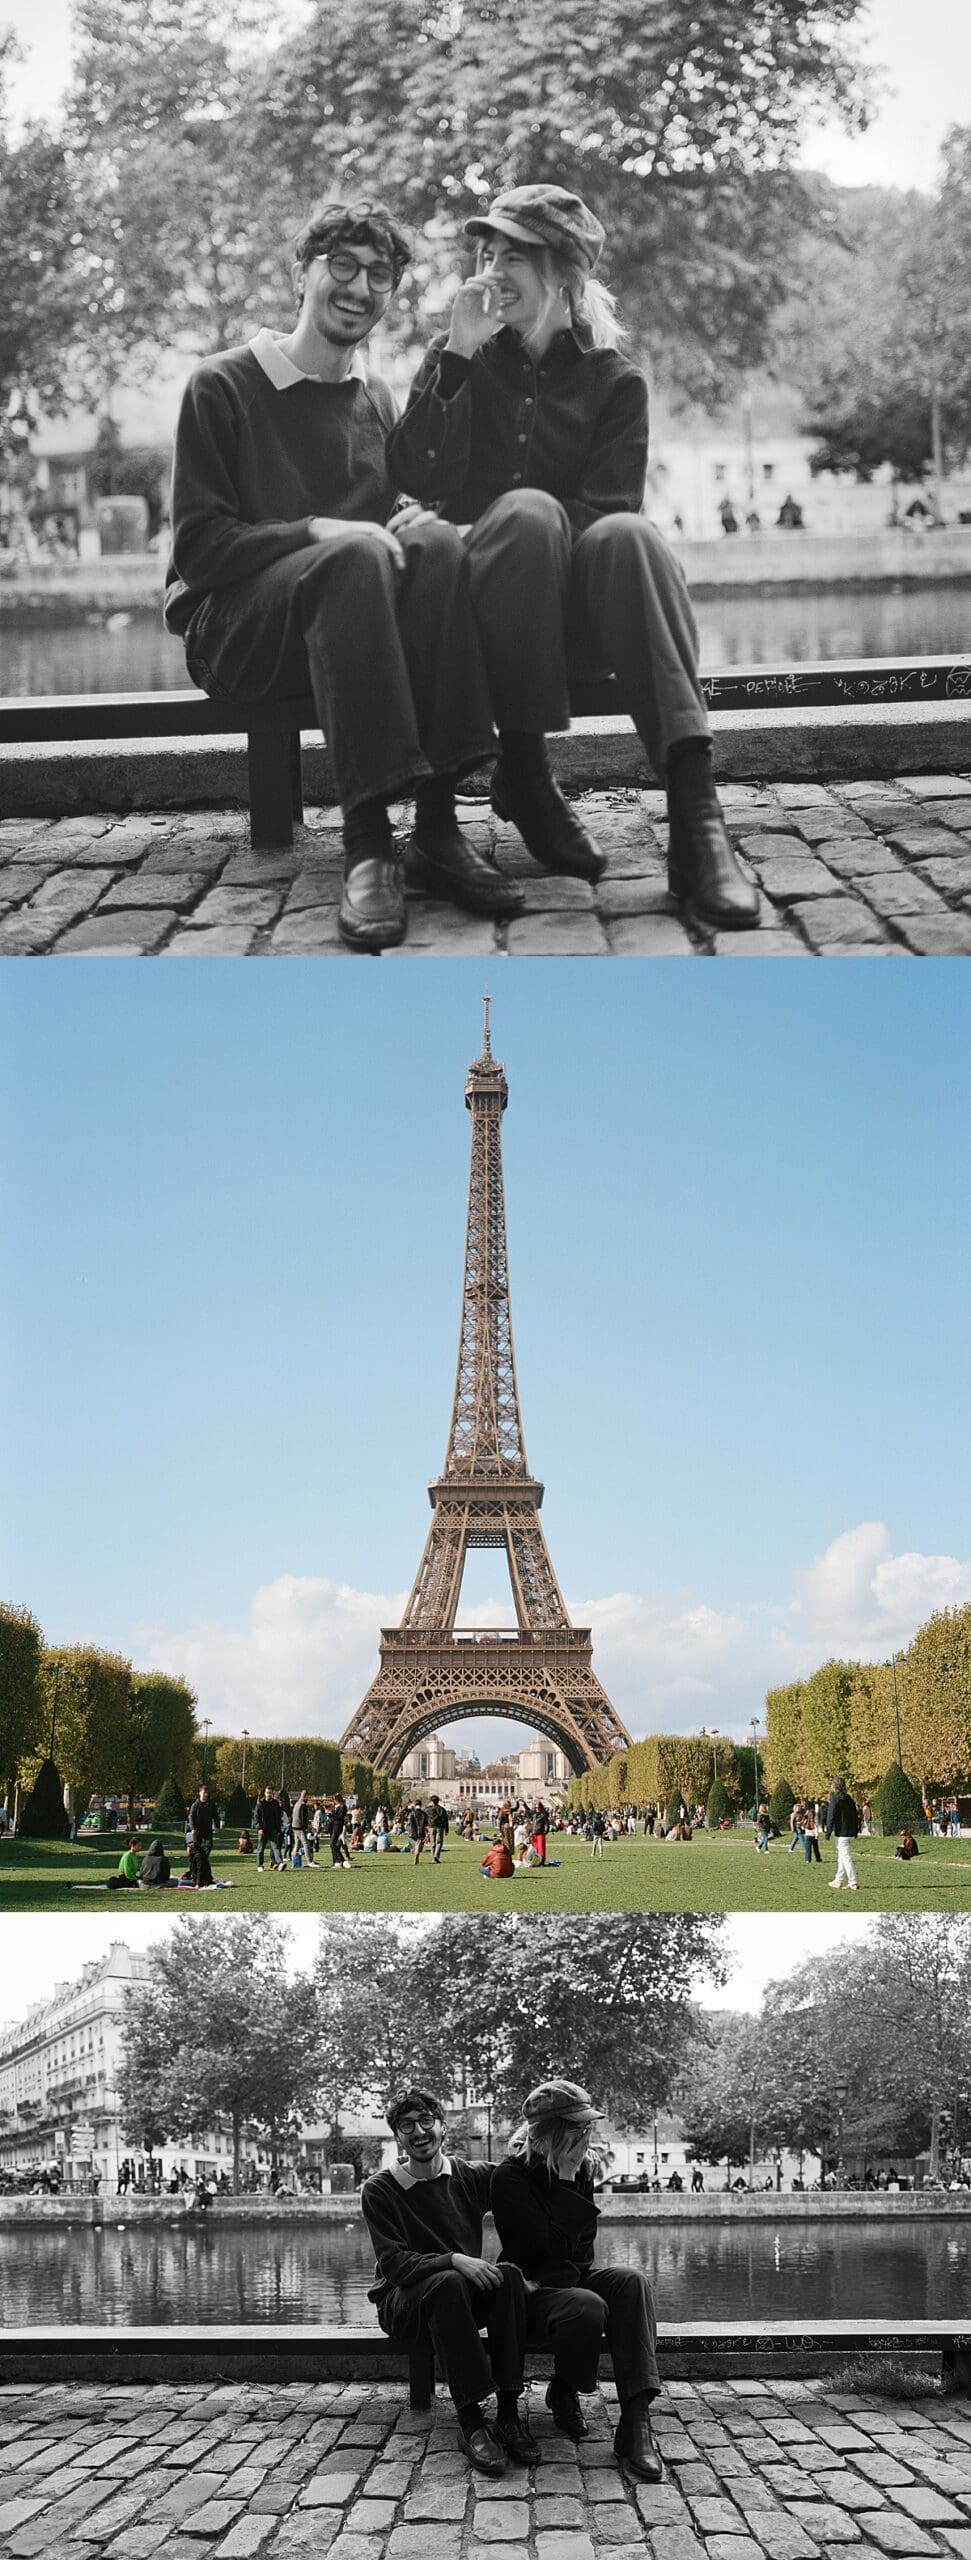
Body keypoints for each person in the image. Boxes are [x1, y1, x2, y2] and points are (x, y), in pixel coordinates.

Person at [387, 183, 758, 931]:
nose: (491, 272)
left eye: (513, 258)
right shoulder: (458, 361)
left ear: (564, 275)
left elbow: (608, 512)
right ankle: (525, 772)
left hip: (574, 631)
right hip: (469, 626)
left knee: (632, 536)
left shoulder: (615, 382)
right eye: (486, 255)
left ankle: (697, 822)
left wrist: (530, 530)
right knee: (527, 514)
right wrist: (455, 357)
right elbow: (414, 475)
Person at [165, 196, 514, 955]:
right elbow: (199, 551)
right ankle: (367, 844)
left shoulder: (374, 396)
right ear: (302, 274)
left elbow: (382, 514)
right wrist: (319, 530)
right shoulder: (221, 385)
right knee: (352, 556)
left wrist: (411, 518)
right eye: (343, 267)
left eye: (378, 275)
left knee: (436, 547)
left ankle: (437, 828)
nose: (359, 287)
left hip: (349, 629)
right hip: (235, 634)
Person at [492, 2079, 663, 2484]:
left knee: (632, 2282)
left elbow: (582, 2248)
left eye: (587, 2126)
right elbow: (537, 2251)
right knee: (587, 2305)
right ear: (551, 2132)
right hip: (530, 2292)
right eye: (577, 2128)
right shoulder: (510, 2178)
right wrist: (566, 2181)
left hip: (571, 2278)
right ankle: (565, 2388)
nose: (587, 2135)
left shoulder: (583, 2169)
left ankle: (636, 2423)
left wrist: (572, 2179)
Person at [360, 2086, 536, 2476]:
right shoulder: (380, 2189)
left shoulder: (471, 2176)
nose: (419, 2132)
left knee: (507, 2276)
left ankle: (508, 2413)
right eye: (407, 2125)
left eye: (426, 2121)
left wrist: (543, 2137)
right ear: (398, 2136)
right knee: (449, 2282)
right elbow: (395, 2266)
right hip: (403, 2305)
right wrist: (454, 2259)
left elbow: (523, 2176)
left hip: (456, 2302)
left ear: (443, 2127)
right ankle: (471, 2421)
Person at [825, 1777, 860, 1890]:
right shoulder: (849, 1799)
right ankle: (838, 1880)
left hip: (841, 1833)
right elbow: (855, 1816)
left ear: (835, 1786)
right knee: (842, 1857)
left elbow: (830, 1816)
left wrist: (828, 1832)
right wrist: (856, 1830)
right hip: (850, 1832)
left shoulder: (835, 1799)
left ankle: (853, 1881)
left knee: (845, 1857)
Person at [255, 1787, 284, 1873]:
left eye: (270, 1793)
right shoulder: (260, 1804)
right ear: (265, 1793)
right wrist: (259, 1828)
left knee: (276, 1848)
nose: (269, 1794)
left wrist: (279, 1828)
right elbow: (256, 1817)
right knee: (261, 1849)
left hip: (273, 1829)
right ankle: (260, 1865)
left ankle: (280, 1863)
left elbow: (278, 1816)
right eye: (267, 1792)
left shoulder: (275, 1804)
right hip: (263, 1830)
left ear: (272, 1794)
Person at [188, 1783, 215, 1853]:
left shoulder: (211, 1804)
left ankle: (204, 1857)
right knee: (196, 1847)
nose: (205, 1795)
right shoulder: (195, 1805)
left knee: (209, 1845)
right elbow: (191, 1817)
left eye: (206, 1793)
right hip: (197, 1829)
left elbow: (215, 1815)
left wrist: (217, 1826)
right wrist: (193, 1828)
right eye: (204, 1793)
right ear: (200, 1793)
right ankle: (197, 1858)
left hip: (207, 1828)